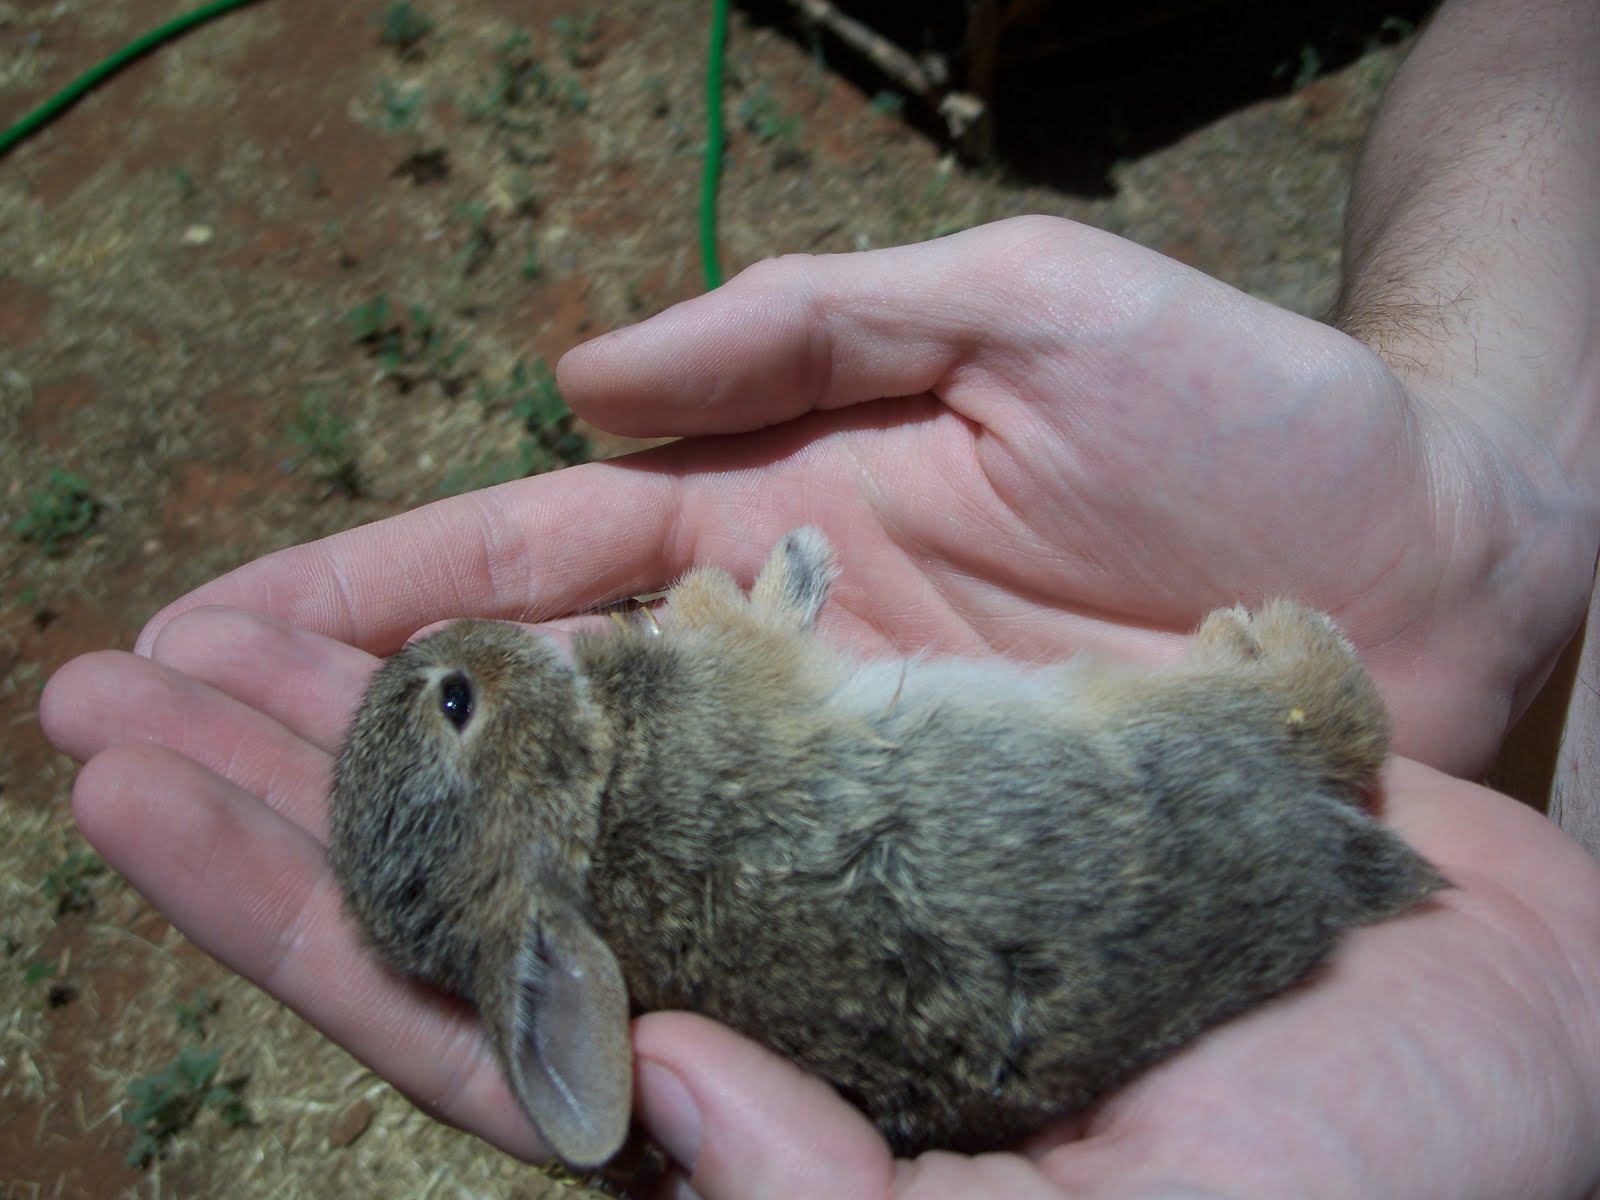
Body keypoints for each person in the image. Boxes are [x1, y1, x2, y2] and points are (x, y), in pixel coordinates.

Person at [39, 0, 1600, 1194]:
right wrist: (1489, 506)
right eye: (451, 694)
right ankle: (1303, 728)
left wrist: (1477, 509)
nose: (458, 648)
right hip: (1242, 817)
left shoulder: (626, 904)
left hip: (1295, 876)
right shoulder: (653, 767)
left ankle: (1308, 759)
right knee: (1198, 776)